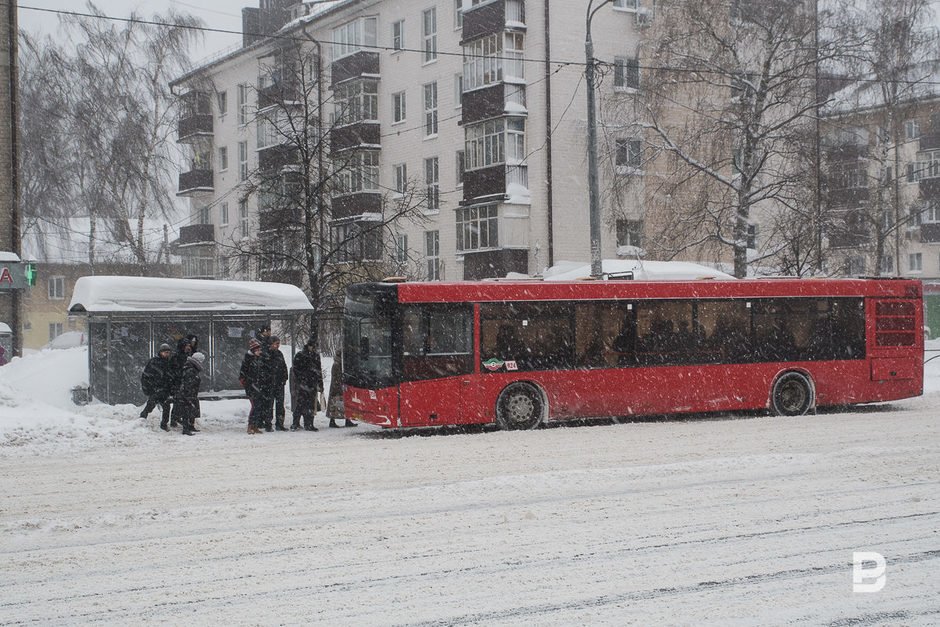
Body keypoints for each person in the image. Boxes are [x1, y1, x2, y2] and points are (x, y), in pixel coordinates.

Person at [240, 338, 273, 434]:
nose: (260, 351)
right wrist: (247, 384)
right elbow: (242, 375)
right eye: (258, 350)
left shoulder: (259, 359)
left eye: (260, 350)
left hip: (259, 386)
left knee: (259, 406)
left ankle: (255, 426)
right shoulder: (248, 360)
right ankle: (250, 426)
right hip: (252, 387)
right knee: (254, 406)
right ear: (253, 350)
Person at [290, 338, 323, 431]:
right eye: (313, 346)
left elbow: (318, 370)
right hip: (304, 384)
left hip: (311, 383)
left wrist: (320, 383)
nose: (314, 349)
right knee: (301, 404)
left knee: (310, 405)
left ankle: (309, 423)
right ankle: (296, 423)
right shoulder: (301, 355)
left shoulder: (314, 356)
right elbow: (295, 369)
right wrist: (302, 379)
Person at [140, 343, 174, 430]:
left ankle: (164, 425)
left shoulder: (169, 363)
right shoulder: (154, 362)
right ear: (161, 352)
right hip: (155, 389)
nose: (167, 354)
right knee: (150, 406)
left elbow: (170, 377)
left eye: (168, 352)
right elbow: (146, 376)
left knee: (166, 407)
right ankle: (141, 419)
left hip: (164, 390)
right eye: (165, 352)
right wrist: (149, 388)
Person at [172, 351, 205, 436]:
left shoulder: (190, 367)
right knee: (187, 411)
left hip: (189, 393)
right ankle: (186, 428)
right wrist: (188, 394)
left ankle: (190, 426)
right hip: (187, 394)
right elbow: (188, 383)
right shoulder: (191, 369)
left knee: (190, 410)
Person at [327, 350, 356, 428]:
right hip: (337, 387)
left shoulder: (339, 364)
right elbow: (336, 377)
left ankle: (346, 420)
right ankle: (333, 421)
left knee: (340, 404)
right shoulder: (337, 365)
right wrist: (339, 385)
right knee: (336, 404)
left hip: (338, 386)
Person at [168, 336, 193, 427]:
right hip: (177, 382)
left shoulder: (186, 355)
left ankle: (176, 418)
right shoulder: (177, 356)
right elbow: (173, 369)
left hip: (181, 382)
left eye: (189, 345)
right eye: (187, 345)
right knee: (178, 402)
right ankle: (174, 419)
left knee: (179, 402)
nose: (188, 347)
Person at [268, 335, 289, 431]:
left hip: (279, 383)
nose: (278, 345)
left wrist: (284, 378)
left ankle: (279, 424)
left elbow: (284, 366)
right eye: (276, 343)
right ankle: (268, 424)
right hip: (270, 383)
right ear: (271, 344)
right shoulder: (266, 354)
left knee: (280, 404)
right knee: (269, 404)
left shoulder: (279, 354)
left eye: (278, 343)